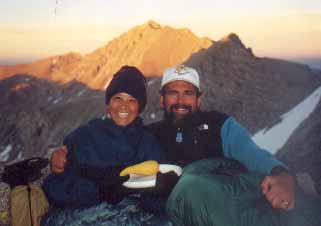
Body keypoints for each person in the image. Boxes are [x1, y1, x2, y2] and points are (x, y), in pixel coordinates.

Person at [41, 66, 179, 226]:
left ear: (140, 107)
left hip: (131, 217)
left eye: (132, 100)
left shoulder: (148, 144)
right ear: (108, 103)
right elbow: (53, 188)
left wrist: (159, 191)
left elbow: (157, 205)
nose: (124, 106)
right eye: (118, 98)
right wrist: (100, 189)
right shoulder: (83, 137)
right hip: (84, 215)